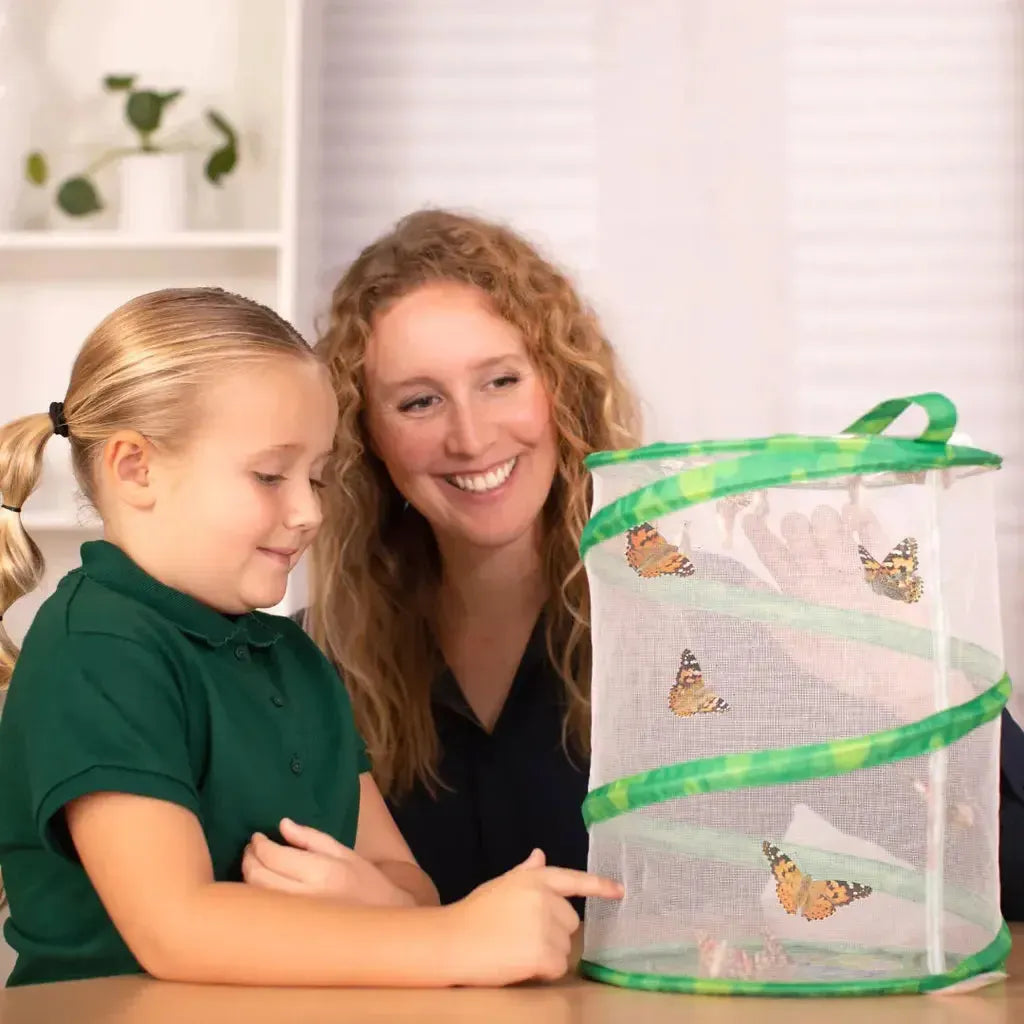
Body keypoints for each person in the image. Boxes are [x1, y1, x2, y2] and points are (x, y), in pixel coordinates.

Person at [264, 207, 1024, 924]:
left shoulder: (714, 620)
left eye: (501, 381)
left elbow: (1005, 873)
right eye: (420, 402)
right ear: (365, 437)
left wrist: (904, 682)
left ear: (560, 389)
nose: (470, 437)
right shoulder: (314, 666)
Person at [0, 286, 623, 988]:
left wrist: (381, 902)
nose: (306, 512)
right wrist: (452, 940)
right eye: (270, 475)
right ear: (134, 468)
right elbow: (175, 929)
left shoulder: (293, 659)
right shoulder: (98, 647)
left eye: (319, 478)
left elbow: (407, 883)